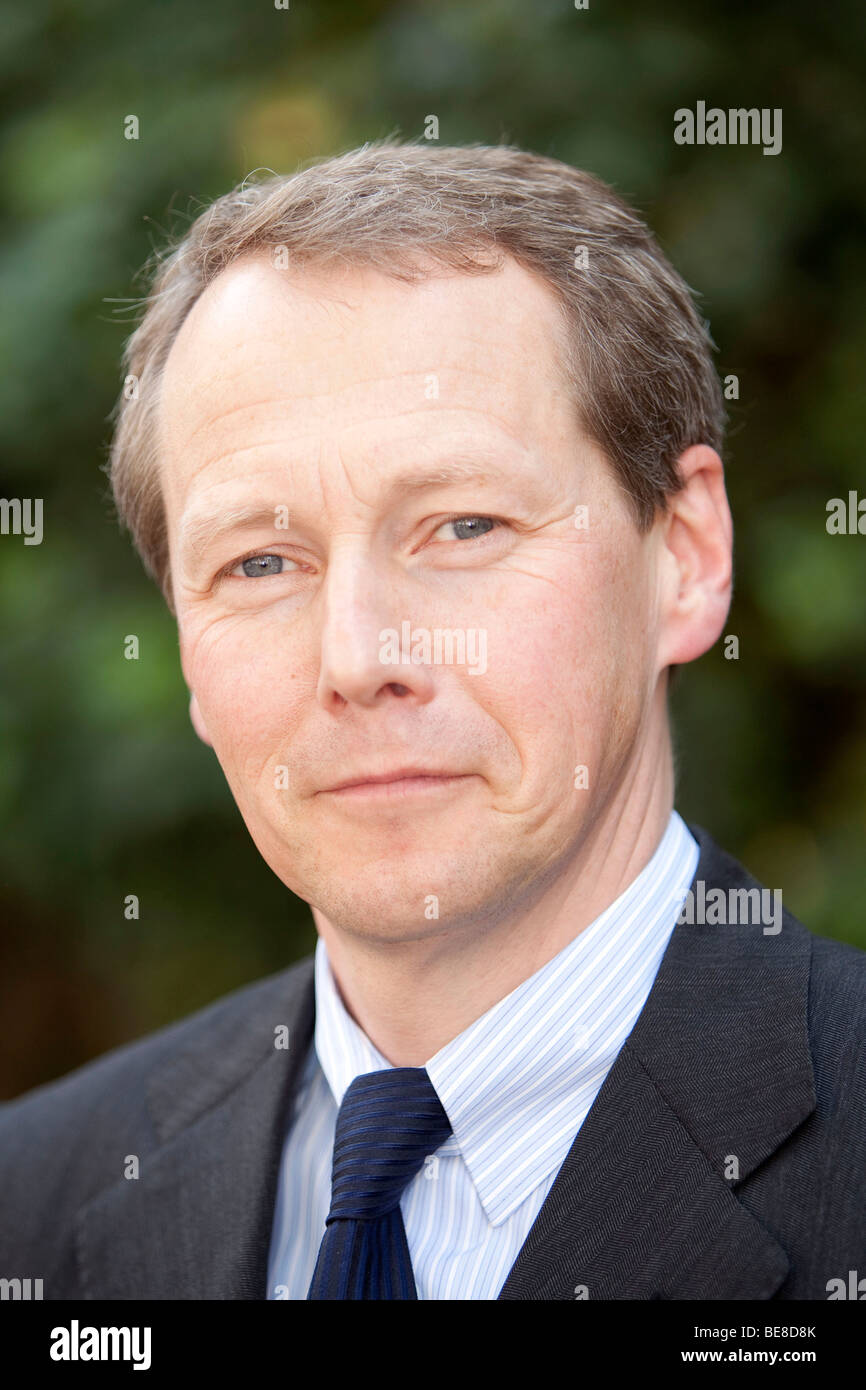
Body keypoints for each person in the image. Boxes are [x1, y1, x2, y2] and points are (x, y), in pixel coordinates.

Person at [1, 139, 863, 1300]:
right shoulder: (31, 1202)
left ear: (686, 560)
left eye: (462, 527)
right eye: (260, 561)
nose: (360, 658)